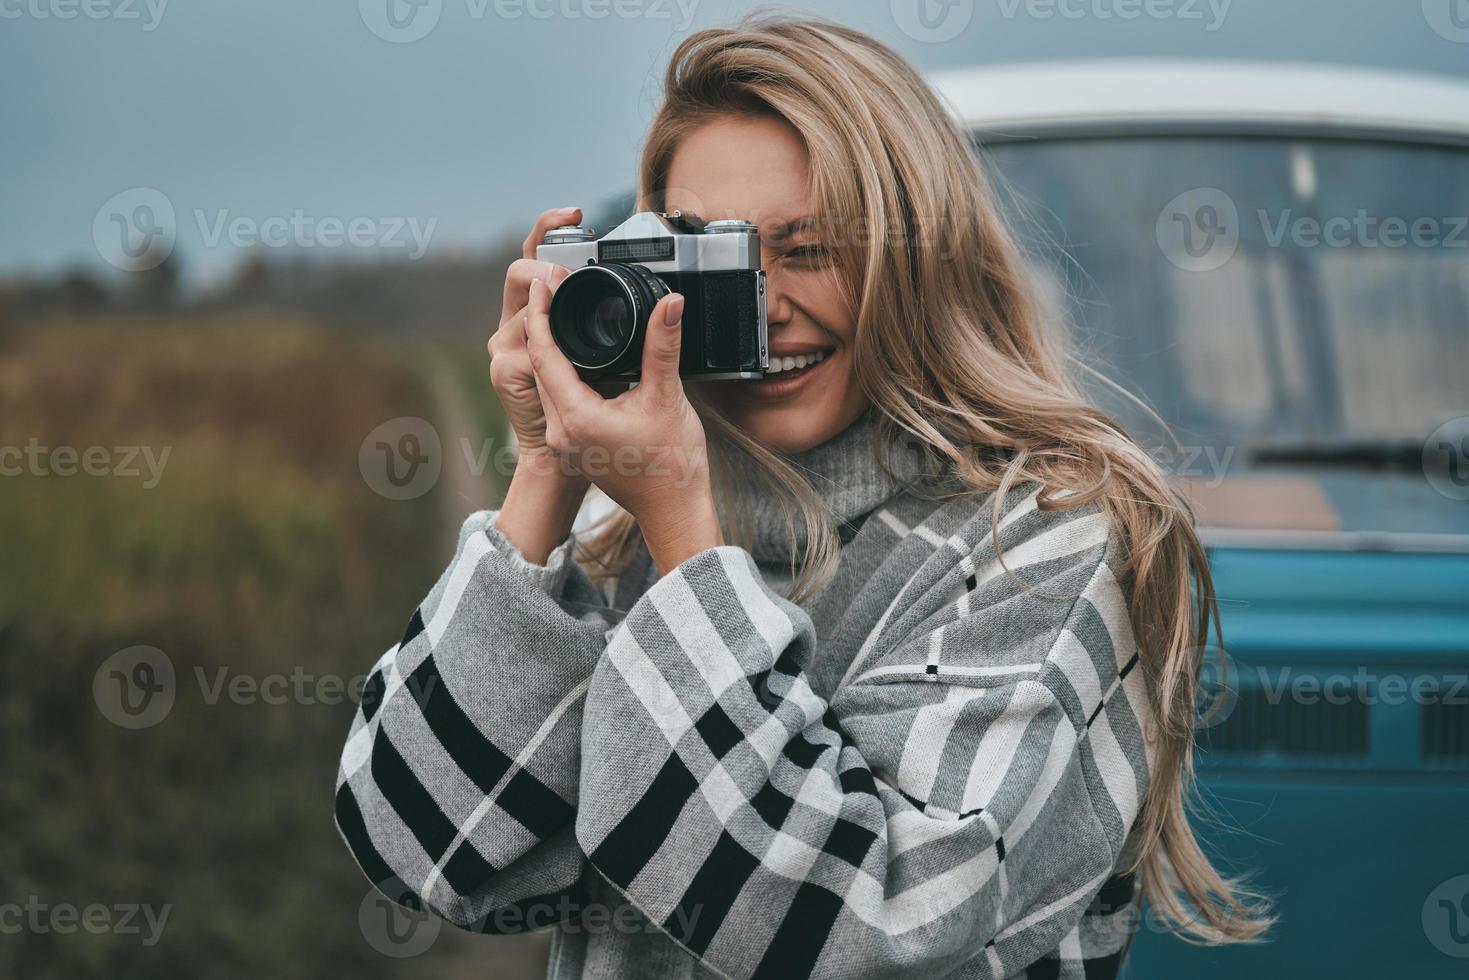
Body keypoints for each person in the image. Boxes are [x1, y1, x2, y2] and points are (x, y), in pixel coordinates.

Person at [335, 14, 1271, 978]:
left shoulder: (1044, 541)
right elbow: (428, 852)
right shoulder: (637, 518)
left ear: (921, 257)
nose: (763, 302)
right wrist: (547, 470)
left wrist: (684, 539)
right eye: (715, 256)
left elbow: (868, 928)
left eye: (811, 248)